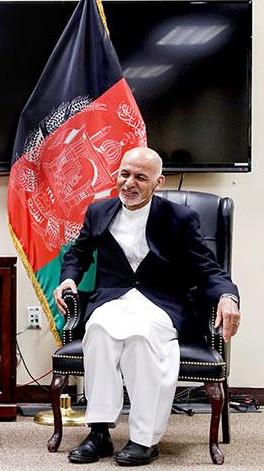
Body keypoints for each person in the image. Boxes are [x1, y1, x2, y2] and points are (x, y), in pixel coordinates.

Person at [53, 147, 240, 466]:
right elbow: (77, 254)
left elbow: (207, 269)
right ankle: (99, 433)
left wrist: (227, 296)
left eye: (140, 177)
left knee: (141, 339)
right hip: (113, 299)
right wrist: (68, 279)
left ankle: (145, 439)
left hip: (160, 303)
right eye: (125, 174)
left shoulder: (178, 218)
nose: (129, 182)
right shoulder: (99, 211)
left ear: (158, 181)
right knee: (97, 331)